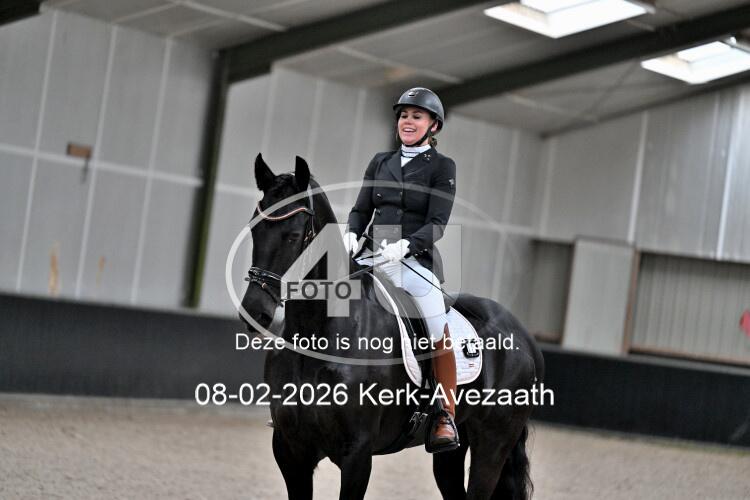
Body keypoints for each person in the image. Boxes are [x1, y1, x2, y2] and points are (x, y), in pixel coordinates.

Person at [344, 87, 459, 452]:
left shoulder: (442, 167)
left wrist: (407, 245)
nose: (408, 121)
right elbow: (361, 209)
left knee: (435, 322)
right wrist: (351, 232)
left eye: (417, 116)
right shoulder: (380, 161)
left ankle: (444, 413)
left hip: (413, 259)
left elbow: (438, 222)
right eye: (404, 115)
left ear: (433, 126)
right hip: (372, 254)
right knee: (325, 300)